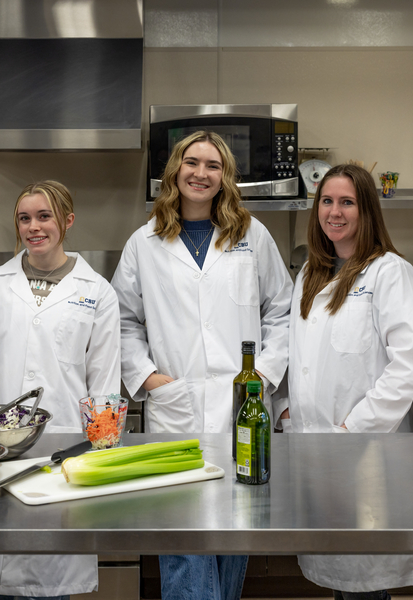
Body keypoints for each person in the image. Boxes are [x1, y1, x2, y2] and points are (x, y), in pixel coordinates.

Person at [111, 130, 292, 600]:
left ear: (224, 176)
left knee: (236, 530)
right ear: (175, 170)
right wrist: (149, 379)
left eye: (213, 165)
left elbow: (282, 310)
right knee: (184, 533)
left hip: (243, 409)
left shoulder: (253, 236)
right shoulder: (143, 242)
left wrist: (263, 377)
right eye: (192, 162)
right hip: (176, 404)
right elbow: (124, 320)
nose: (201, 173)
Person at [0, 180, 120, 600]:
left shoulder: (96, 292)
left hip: (62, 448)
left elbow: (103, 382)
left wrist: (99, 457)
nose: (34, 227)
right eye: (24, 218)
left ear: (67, 220)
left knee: (51, 574)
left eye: (44, 216)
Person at [275, 164, 413, 598]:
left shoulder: (389, 273)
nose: (334, 212)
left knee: (365, 580)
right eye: (327, 201)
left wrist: (352, 432)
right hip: (314, 448)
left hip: (365, 455)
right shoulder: (310, 274)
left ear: (367, 211)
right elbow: (296, 355)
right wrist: (285, 408)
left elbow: (406, 367)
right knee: (339, 578)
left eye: (347, 202)